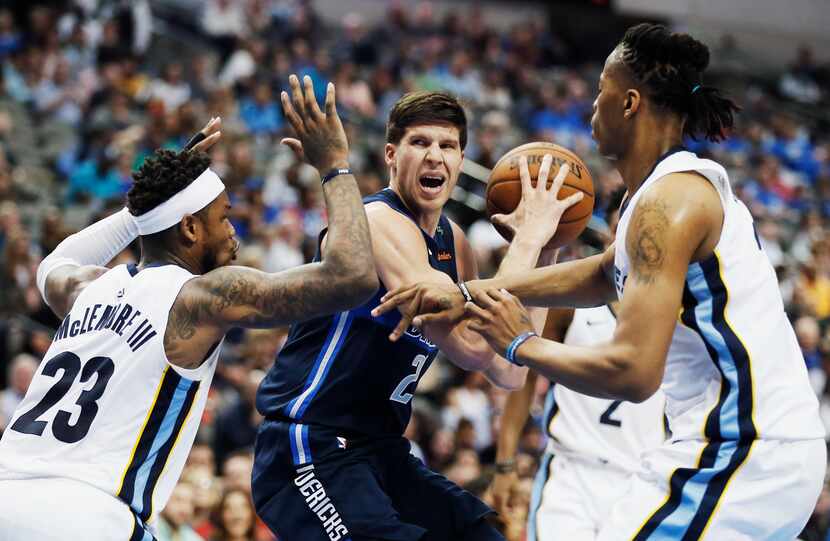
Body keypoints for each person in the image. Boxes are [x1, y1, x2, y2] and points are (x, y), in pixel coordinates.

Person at [376, 23, 826, 539]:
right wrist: (466, 291)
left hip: (743, 451)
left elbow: (633, 373)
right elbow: (601, 273)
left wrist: (519, 343)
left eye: (600, 93)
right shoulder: (665, 193)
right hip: (755, 451)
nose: (592, 108)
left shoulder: (669, 204)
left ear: (629, 101)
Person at [0, 74, 377, 540]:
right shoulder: (199, 299)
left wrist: (141, 209)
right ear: (190, 229)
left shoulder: (86, 288)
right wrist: (335, 166)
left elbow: (53, 264)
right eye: (223, 218)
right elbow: (354, 277)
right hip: (89, 514)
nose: (234, 231)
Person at [252, 91, 583, 540]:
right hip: (309, 445)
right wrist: (525, 241)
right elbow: (468, 344)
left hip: (380, 450)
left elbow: (508, 369)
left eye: (447, 146)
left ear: (461, 158)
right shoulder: (376, 219)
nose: (435, 157)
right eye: (420, 143)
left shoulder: (456, 242)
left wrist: (546, 249)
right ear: (392, 154)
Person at [490, 193, 666, 541]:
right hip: (572, 473)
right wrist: (505, 462)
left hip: (643, 480)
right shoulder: (570, 307)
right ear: (609, 235)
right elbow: (523, 379)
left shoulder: (676, 320)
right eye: (625, 226)